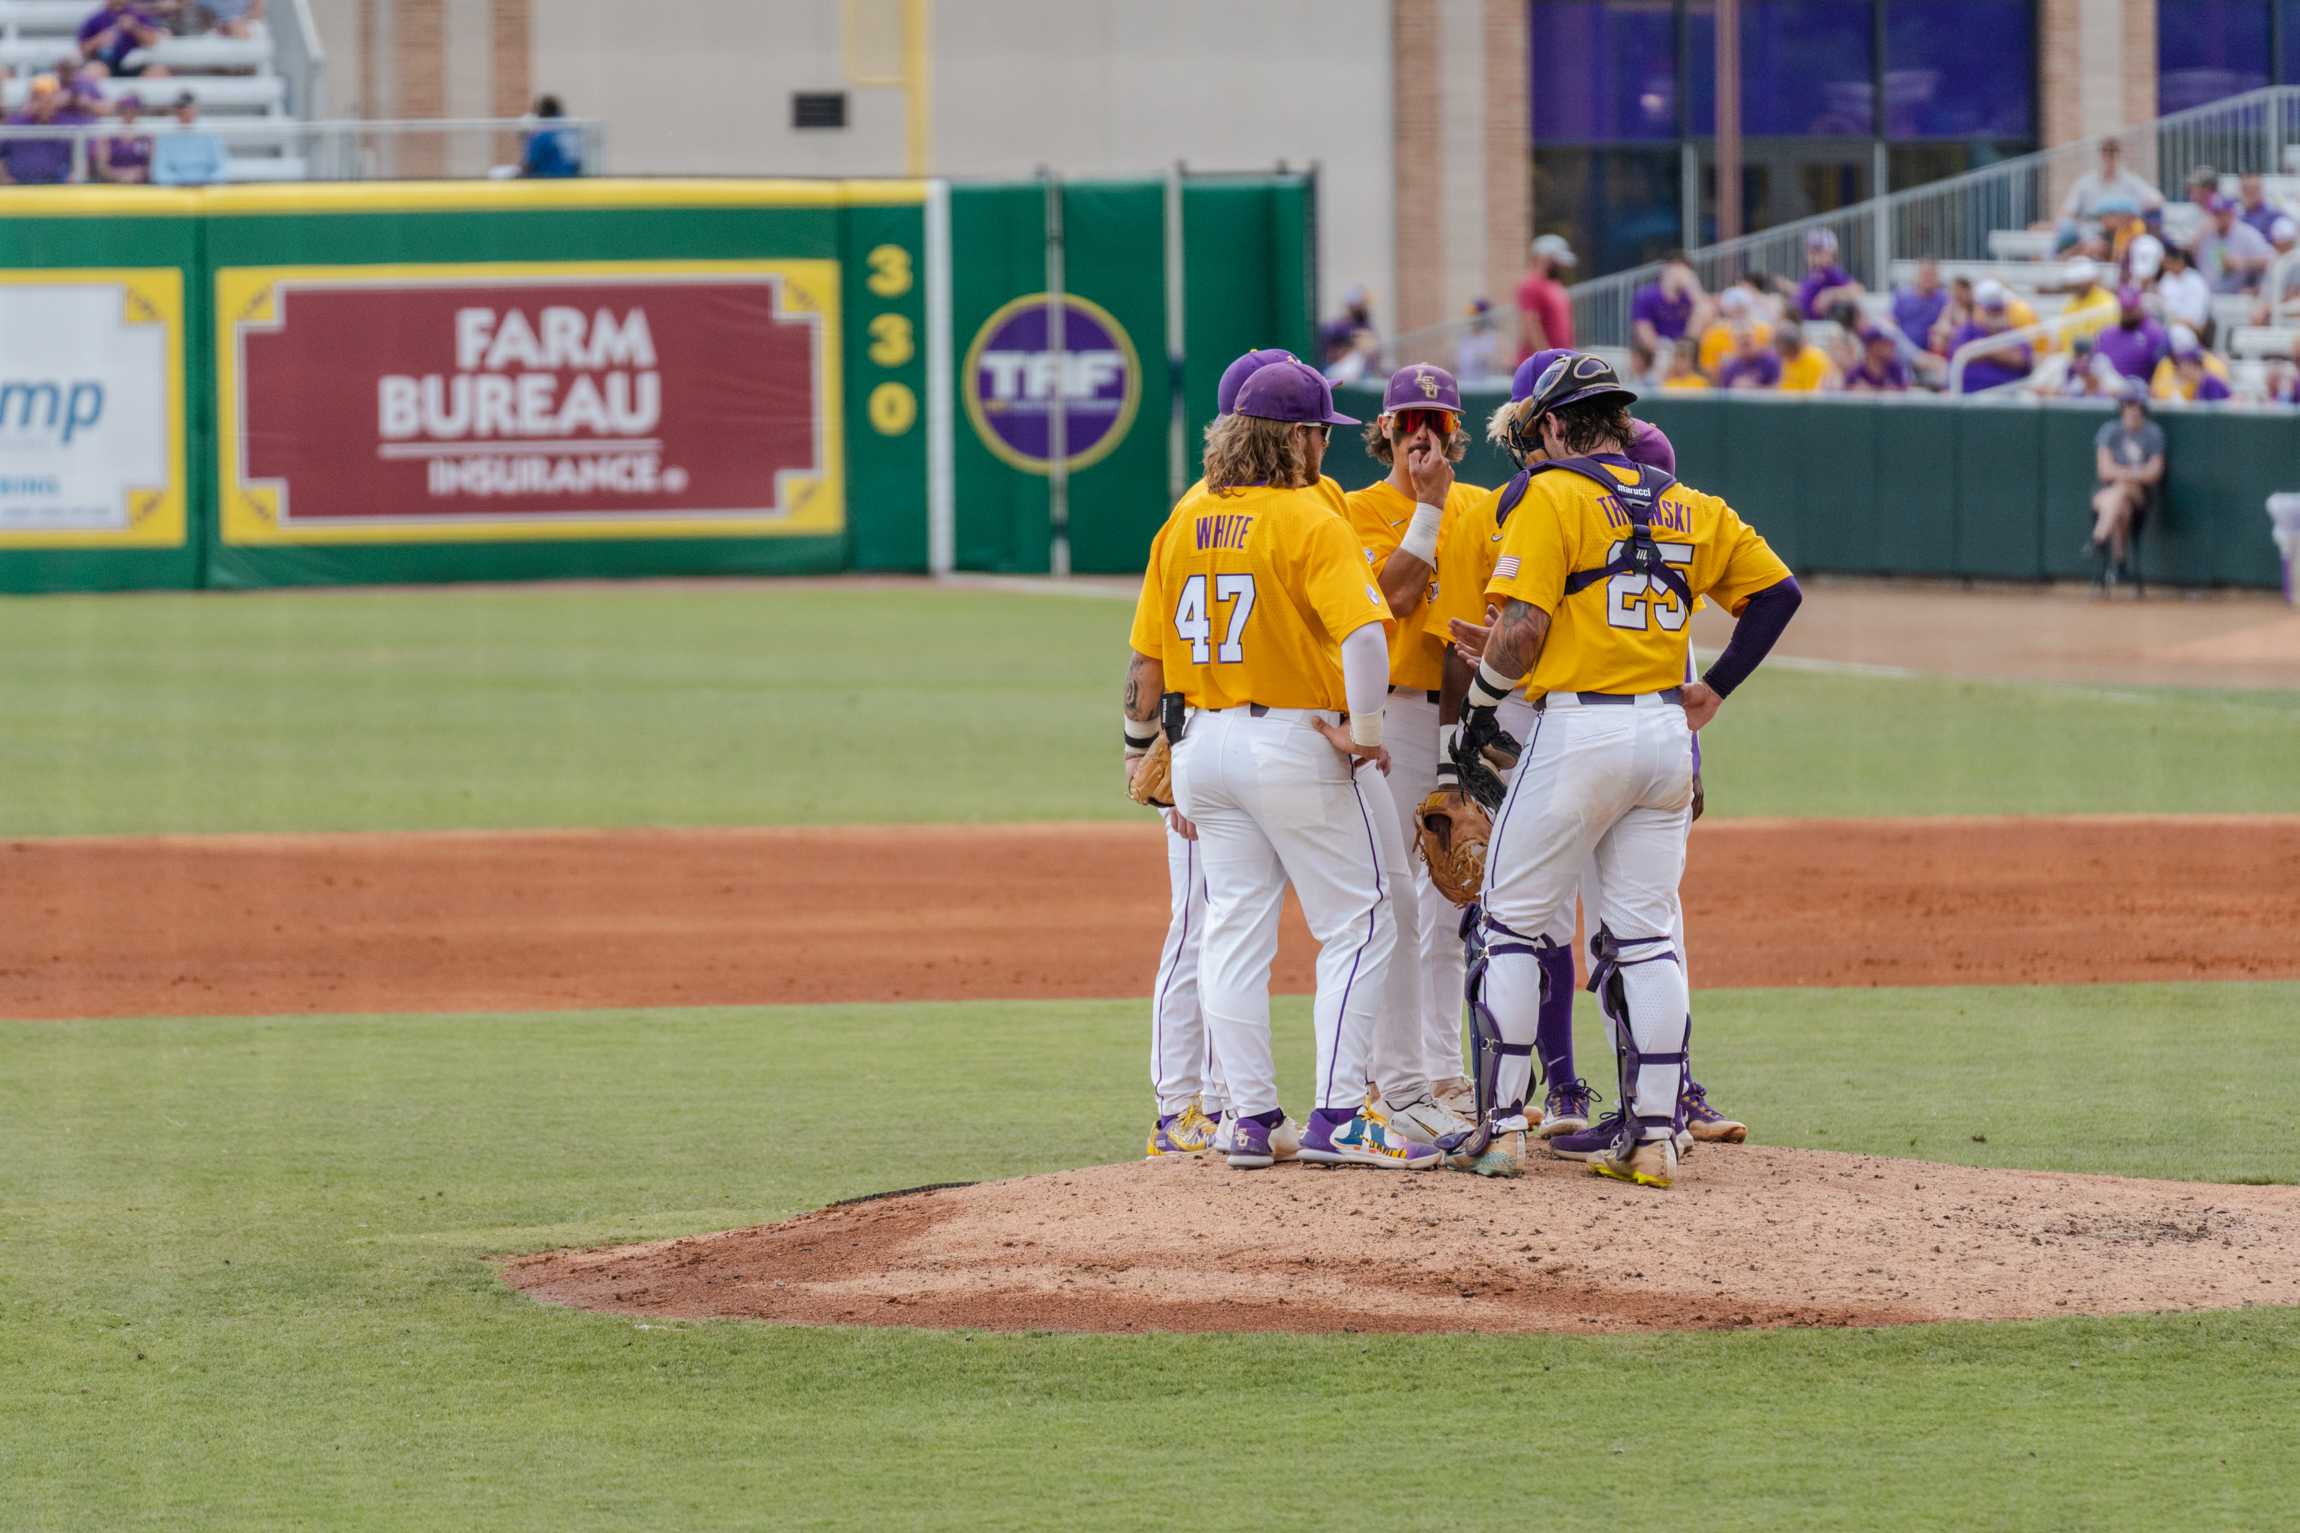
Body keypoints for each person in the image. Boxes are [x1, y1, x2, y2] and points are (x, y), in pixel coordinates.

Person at [1453, 354, 1799, 1187]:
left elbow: (1524, 626)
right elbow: (1778, 595)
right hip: (1662, 735)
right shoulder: (1690, 505)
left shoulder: (1551, 493)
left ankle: (1499, 1130)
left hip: (1579, 732)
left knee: (1507, 925)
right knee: (1646, 939)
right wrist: (1713, 687)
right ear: (1621, 423)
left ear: (1554, 427)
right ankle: (1653, 1136)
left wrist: (1484, 703)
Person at [1125, 358, 1440, 1173]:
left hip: (1202, 748)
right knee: (1364, 917)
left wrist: (1137, 744)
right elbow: (1367, 635)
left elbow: (1144, 657)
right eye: (1319, 434)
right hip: (1290, 741)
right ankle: (1339, 1114)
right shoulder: (1306, 516)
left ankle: (1250, 1118)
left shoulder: (1186, 511)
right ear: (1293, 438)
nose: (1323, 448)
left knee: (1232, 929)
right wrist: (1369, 729)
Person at [1342, 366, 1493, 1150]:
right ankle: (1382, 1078)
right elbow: (1396, 597)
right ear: (1387, 430)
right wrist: (1428, 508)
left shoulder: (1484, 508)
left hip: (1462, 716)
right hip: (1385, 719)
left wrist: (1460, 750)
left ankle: (1443, 1073)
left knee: (1451, 901)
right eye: (1408, 420)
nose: (1422, 434)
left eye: (1436, 418)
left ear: (1455, 430)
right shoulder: (1358, 509)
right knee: (1390, 899)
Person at [2088, 388, 2163, 590]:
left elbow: (2155, 472)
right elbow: (2104, 471)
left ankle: (2099, 537)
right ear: (2122, 407)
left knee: (2123, 488)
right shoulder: (2110, 430)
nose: (2134, 410)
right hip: (2107, 494)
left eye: (2138, 405)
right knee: (2121, 505)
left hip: (2139, 494)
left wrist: (2122, 473)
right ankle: (2120, 563)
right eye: (2129, 404)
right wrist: (2137, 471)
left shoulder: (2152, 432)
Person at [1947, 283, 2032, 393]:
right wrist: (2001, 352)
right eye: (1989, 310)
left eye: (1998, 309)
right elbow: (1959, 355)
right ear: (1978, 308)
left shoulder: (2012, 333)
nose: (1994, 314)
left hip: (2007, 396)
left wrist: (1983, 349)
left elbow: (2021, 359)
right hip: (1968, 397)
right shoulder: (1967, 330)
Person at [2059, 137, 2162, 226]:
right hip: (2092, 232)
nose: (2108, 156)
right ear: (2100, 154)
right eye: (2105, 151)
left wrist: (2131, 212)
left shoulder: (2130, 181)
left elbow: (2156, 199)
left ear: (2118, 155)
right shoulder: (2085, 183)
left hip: (2123, 232)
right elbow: (2067, 210)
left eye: (2112, 151)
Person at [0, 76, 80, 185]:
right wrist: (4, 178)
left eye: (49, 99)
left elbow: (76, 161)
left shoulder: (67, 125)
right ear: (31, 100)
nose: (44, 104)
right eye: (39, 98)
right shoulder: (15, 124)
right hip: (18, 187)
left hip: (55, 187)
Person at [1631, 251, 1707, 357]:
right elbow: (1645, 335)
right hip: (1657, 355)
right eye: (1676, 269)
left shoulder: (1691, 296)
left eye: (1684, 271)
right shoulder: (1646, 295)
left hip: (1684, 354)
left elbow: (1705, 310)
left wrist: (1692, 286)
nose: (1680, 275)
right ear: (1666, 269)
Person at [2194, 194, 2273, 293]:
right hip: (2208, 295)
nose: (2218, 218)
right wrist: (2196, 239)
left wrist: (2243, 263)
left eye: (2222, 214)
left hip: (2237, 297)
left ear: (2231, 214)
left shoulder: (2246, 234)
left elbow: (2270, 261)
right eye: (2215, 214)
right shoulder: (2206, 233)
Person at [1515, 233, 1576, 359]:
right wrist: (1547, 357)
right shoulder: (1530, 285)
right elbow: (1530, 324)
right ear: (1544, 258)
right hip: (1540, 365)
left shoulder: (1556, 286)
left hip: (1560, 361)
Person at [2094, 284, 2170, 381]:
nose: (2128, 313)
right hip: (2107, 391)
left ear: (2140, 306)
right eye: (2125, 309)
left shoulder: (2155, 333)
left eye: (2131, 308)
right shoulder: (2106, 334)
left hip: (2141, 391)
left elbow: (2164, 371)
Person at [77, 0, 169, 78]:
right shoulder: (96, 19)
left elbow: (152, 41)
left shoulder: (137, 15)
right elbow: (83, 50)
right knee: (93, 70)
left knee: (158, 72)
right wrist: (99, 40)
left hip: (135, 64)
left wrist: (134, 28)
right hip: (106, 64)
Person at [151, 91, 223, 184]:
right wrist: (180, 186)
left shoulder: (210, 133)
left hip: (206, 189)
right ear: (176, 111)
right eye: (181, 109)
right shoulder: (165, 135)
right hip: (176, 191)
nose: (185, 112)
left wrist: (207, 184)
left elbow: (221, 167)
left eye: (188, 108)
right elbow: (160, 170)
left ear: (196, 109)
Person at [1697, 284, 1769, 376]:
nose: (1738, 312)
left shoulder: (1764, 331)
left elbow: (1770, 367)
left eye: (1741, 308)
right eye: (1735, 308)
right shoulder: (1714, 334)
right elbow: (1707, 369)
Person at [2149, 325, 2233, 403]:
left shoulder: (2210, 379)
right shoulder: (2166, 363)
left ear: (2190, 363)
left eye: (2179, 364)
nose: (2177, 369)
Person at [1794, 227, 1862, 321]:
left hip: (1818, 327)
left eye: (1818, 251)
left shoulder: (1831, 272)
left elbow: (1857, 290)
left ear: (1831, 253)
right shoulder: (1812, 274)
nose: (1812, 256)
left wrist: (1831, 294)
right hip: (1803, 321)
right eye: (1810, 251)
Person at [2156, 243, 2215, 343]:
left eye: (2169, 262)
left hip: (2192, 329)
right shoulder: (2165, 280)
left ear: (2179, 261)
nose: (2166, 266)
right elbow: (2163, 309)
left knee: (2179, 334)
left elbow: (2198, 317)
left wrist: (2180, 322)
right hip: (2168, 326)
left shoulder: (2196, 280)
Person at [1891, 259, 1949, 352]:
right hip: (1905, 351)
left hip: (1935, 351)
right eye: (1925, 274)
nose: (1928, 278)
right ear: (1916, 276)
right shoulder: (1903, 296)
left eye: (1932, 274)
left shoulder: (1944, 298)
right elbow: (1891, 321)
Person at [520, 94, 583, 179]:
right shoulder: (571, 131)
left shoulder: (543, 135)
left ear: (542, 113)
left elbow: (530, 164)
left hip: (549, 184)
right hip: (571, 182)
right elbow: (578, 163)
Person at [95, 90, 151, 182]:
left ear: (138, 111)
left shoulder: (146, 136)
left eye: (132, 110)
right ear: (120, 111)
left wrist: (136, 174)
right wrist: (120, 175)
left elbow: (150, 166)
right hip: (112, 184)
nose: (128, 113)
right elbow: (102, 168)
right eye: (125, 110)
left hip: (139, 184)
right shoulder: (108, 136)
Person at [2059, 259, 2118, 345]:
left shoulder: (2107, 303)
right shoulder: (2071, 304)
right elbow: (2063, 338)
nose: (2074, 288)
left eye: (2077, 285)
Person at [1772, 321, 1838, 392]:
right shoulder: (1785, 360)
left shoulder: (1815, 359)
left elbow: (1816, 394)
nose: (1778, 350)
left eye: (1780, 345)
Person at [1455, 297, 1507, 384]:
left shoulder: (1494, 338)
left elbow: (1502, 365)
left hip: (1487, 387)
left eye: (1474, 316)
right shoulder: (1465, 339)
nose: (1471, 321)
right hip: (1467, 385)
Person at [1844, 326, 1911, 392]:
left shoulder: (1895, 369)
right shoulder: (1855, 373)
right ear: (1871, 347)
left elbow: (1905, 390)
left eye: (1891, 343)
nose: (1892, 347)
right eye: (1885, 343)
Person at [2237, 173, 2288, 242]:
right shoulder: (2235, 214)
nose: (2250, 192)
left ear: (2261, 189)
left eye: (2254, 189)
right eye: (2246, 189)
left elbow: (2288, 242)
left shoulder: (2274, 215)